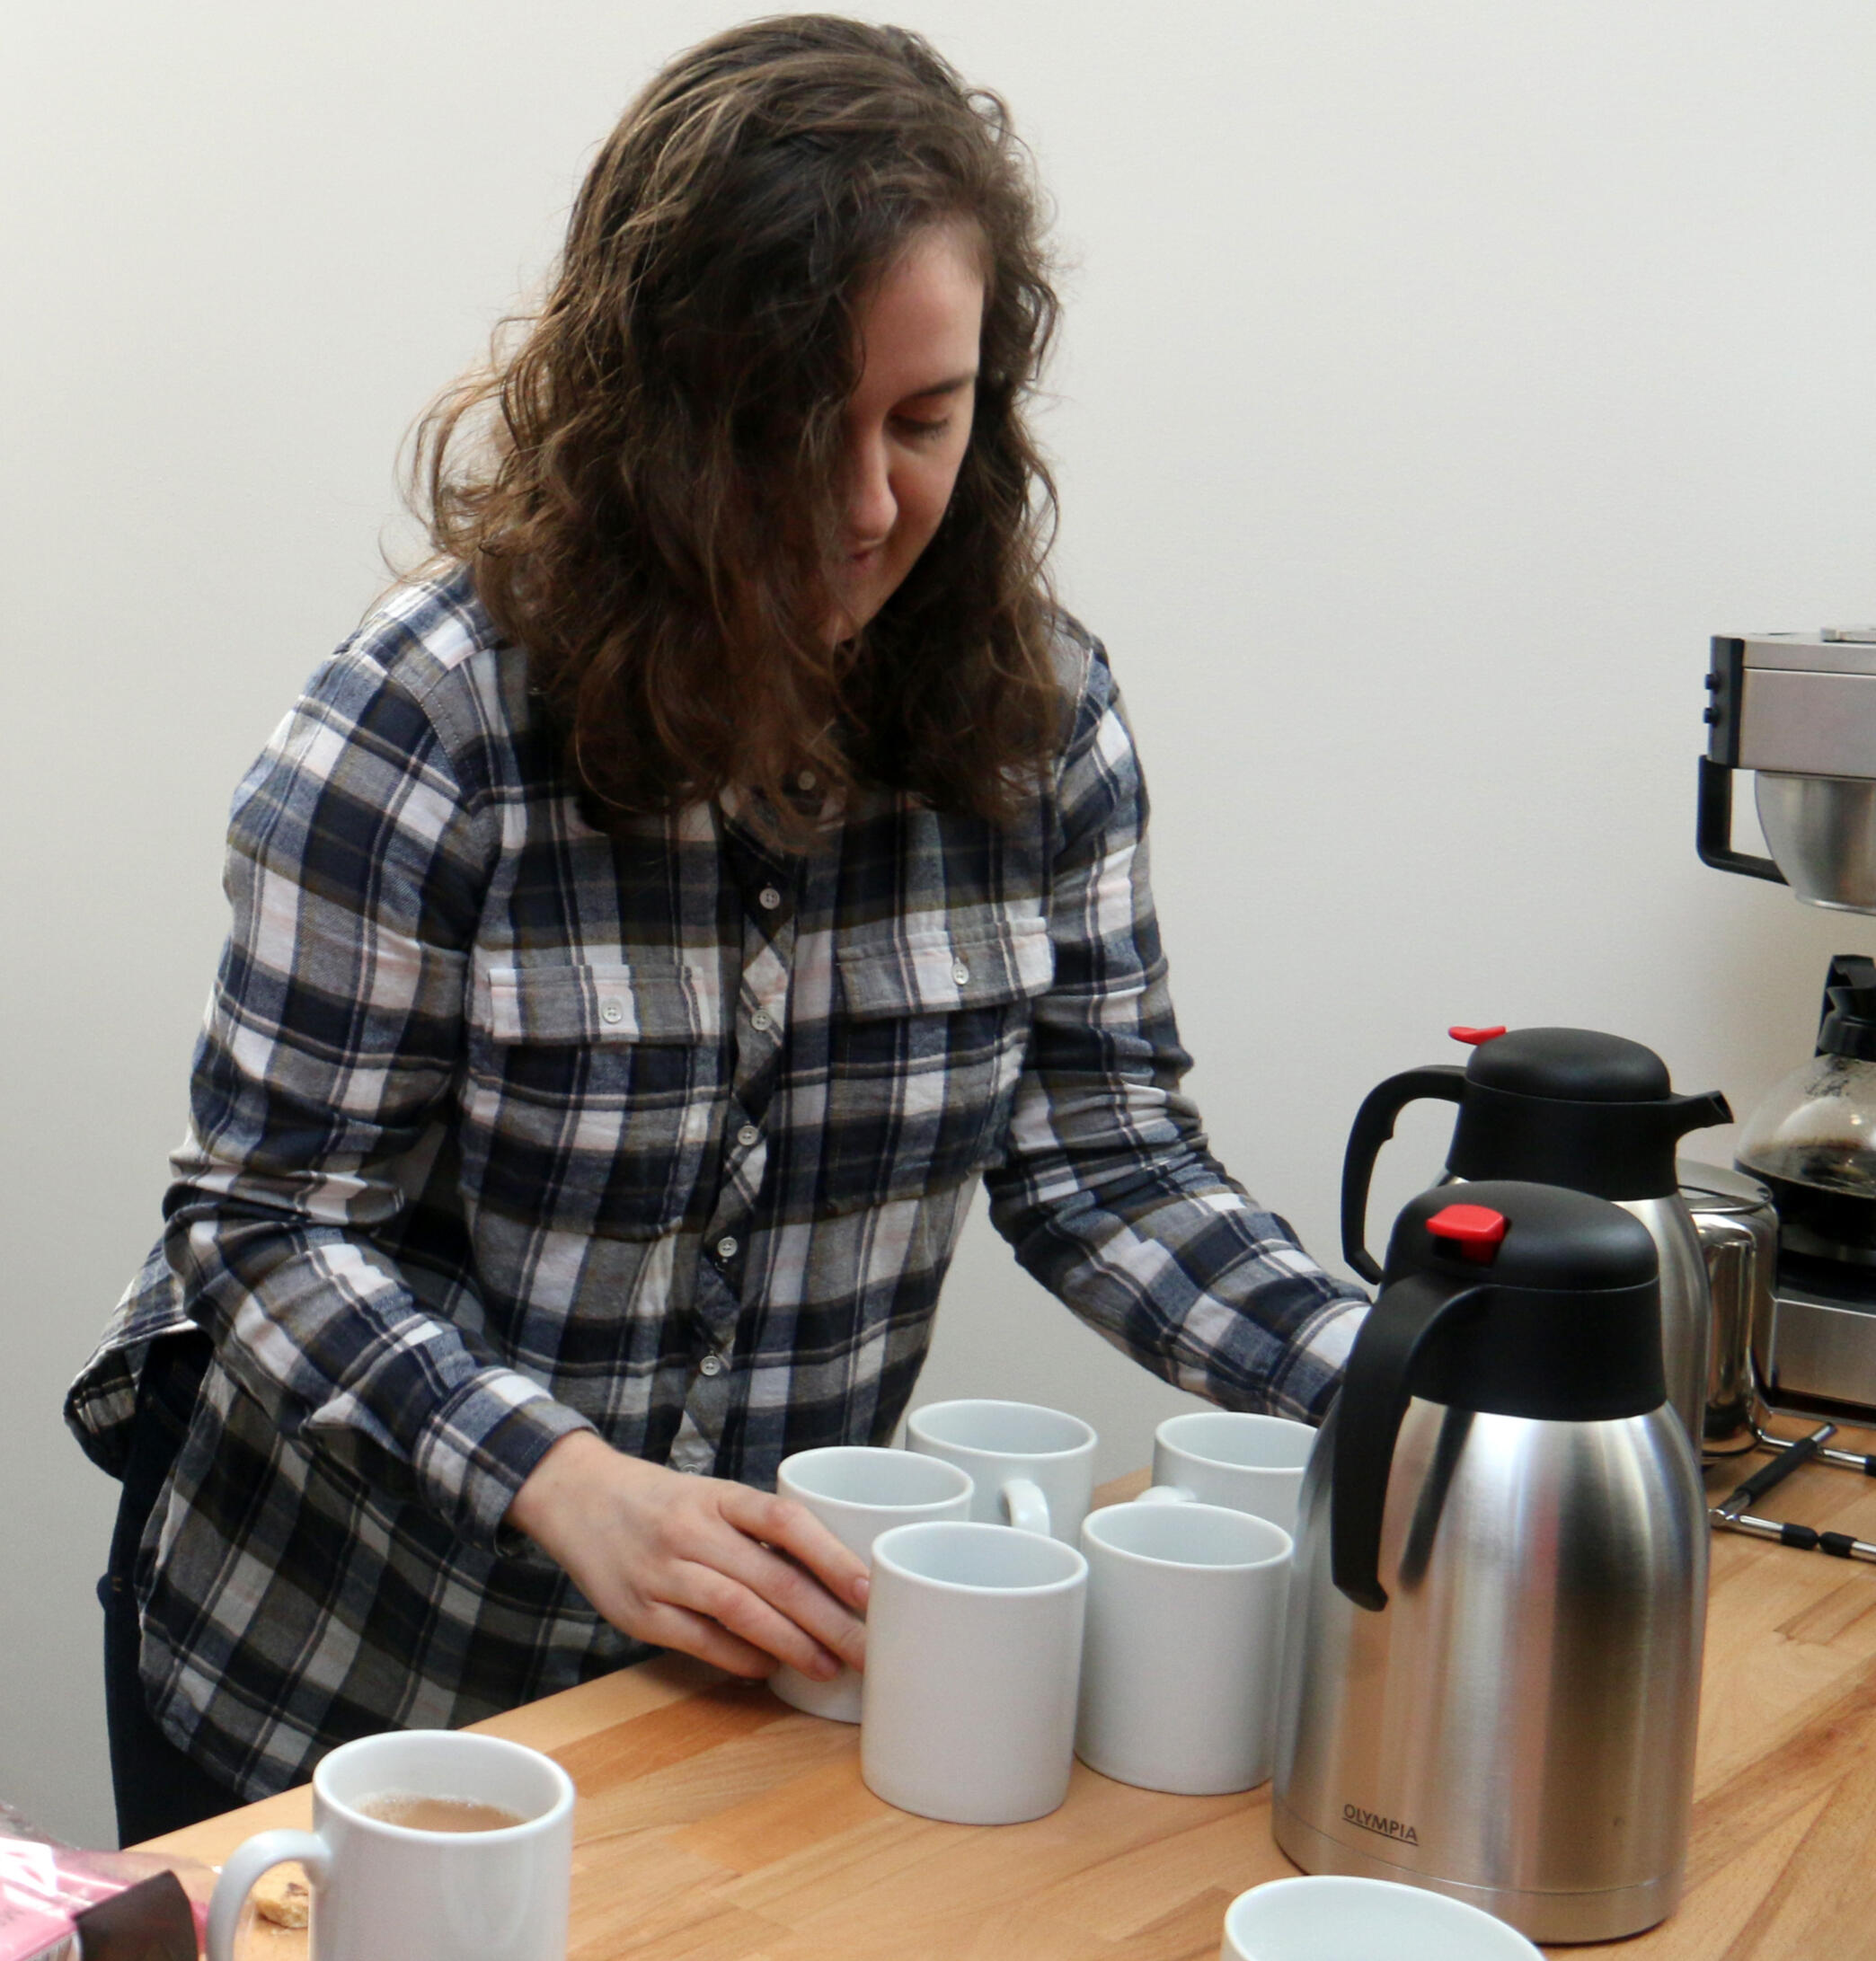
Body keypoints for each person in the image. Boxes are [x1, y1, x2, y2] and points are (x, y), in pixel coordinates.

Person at [68, 13, 1367, 1843]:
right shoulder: (426, 719)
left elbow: (1107, 1159)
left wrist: (1409, 1383)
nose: (867, 505)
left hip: (729, 1713)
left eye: (925, 419)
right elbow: (265, 1224)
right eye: (787, 429)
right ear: (655, 409)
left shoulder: (1041, 721)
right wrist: (568, 1479)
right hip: (339, 1691)